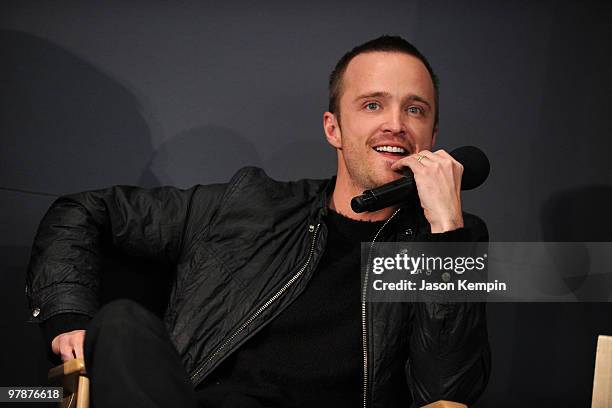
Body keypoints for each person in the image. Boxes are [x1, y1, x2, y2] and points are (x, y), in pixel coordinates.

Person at [26, 35, 490, 407]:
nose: (396, 123)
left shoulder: (449, 242)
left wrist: (446, 229)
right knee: (123, 324)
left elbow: (446, 391)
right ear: (334, 128)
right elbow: (82, 211)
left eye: (415, 109)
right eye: (372, 105)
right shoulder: (247, 204)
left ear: (433, 136)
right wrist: (67, 318)